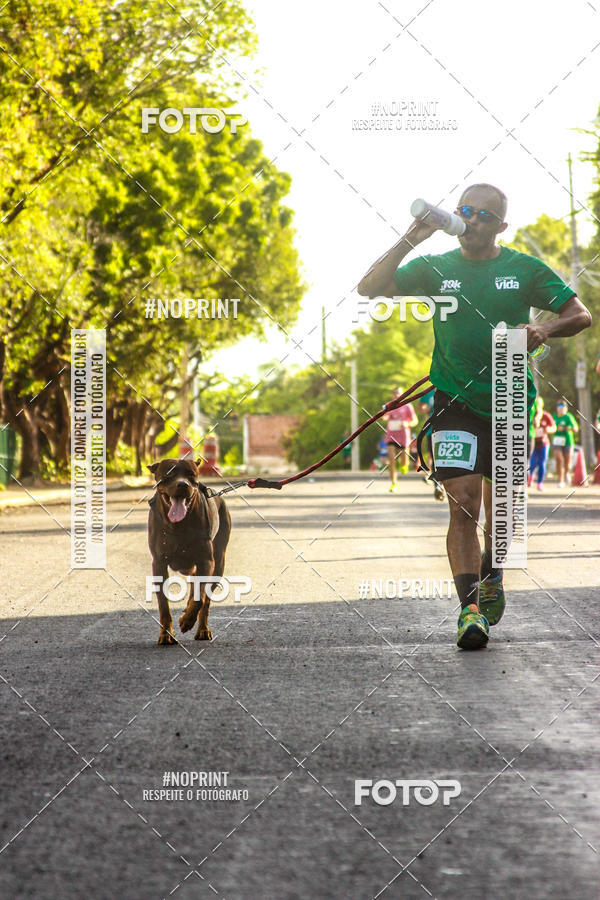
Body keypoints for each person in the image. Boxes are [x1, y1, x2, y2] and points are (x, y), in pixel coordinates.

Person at [358, 183, 591, 649]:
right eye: (466, 211)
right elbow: (369, 288)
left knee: (502, 513)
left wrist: (543, 327)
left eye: (484, 215)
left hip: (508, 399)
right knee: (464, 501)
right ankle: (469, 611)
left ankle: (494, 574)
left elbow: (580, 314)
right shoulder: (436, 268)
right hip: (452, 402)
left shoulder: (523, 269)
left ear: (501, 225)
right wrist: (412, 237)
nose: (473, 221)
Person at [382, 387, 418, 492]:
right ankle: (394, 484)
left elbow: (415, 420)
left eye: (398, 393)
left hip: (403, 436)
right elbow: (384, 416)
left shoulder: (407, 406)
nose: (396, 395)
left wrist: (407, 423)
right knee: (391, 460)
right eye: (394, 394)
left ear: (403, 395)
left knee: (404, 460)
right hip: (391, 436)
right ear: (392, 395)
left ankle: (404, 464)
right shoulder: (389, 405)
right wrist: (384, 416)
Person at [419, 388, 445, 501]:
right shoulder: (428, 392)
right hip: (432, 430)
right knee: (435, 459)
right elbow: (420, 406)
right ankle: (438, 485)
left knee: (445, 459)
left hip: (448, 430)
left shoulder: (450, 387)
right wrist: (424, 408)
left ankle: (446, 485)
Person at [527, 397, 556, 491]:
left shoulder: (546, 415)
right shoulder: (529, 415)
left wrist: (548, 429)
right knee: (532, 463)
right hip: (533, 443)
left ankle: (540, 483)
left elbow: (553, 427)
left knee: (542, 463)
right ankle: (530, 478)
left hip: (543, 443)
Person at [552, 400, 579, 487]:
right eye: (559, 407)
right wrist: (555, 428)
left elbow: (575, 428)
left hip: (568, 441)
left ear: (566, 409)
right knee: (559, 459)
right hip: (557, 441)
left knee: (567, 461)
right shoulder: (554, 417)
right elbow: (550, 427)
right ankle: (560, 480)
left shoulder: (568, 417)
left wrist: (568, 428)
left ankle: (567, 473)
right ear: (557, 408)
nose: (561, 409)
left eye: (563, 408)